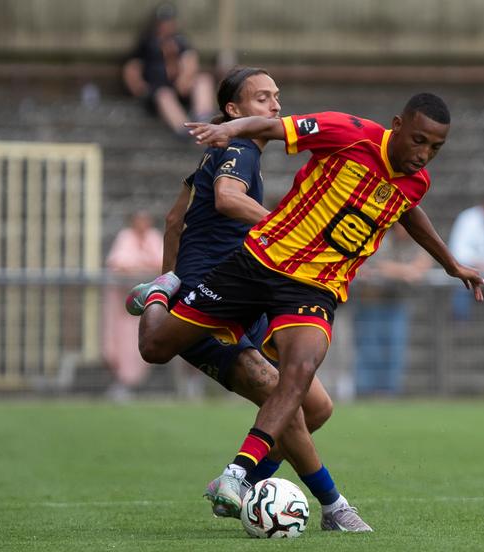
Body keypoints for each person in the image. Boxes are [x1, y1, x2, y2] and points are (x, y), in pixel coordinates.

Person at [129, 93, 484, 519]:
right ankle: (160, 290)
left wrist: (451, 264)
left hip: (315, 289)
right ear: (397, 124)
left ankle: (240, 475)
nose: (424, 154)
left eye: (435, 148)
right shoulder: (350, 133)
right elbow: (274, 129)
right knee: (155, 346)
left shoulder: (415, 181)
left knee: (301, 372)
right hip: (260, 260)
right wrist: (229, 129)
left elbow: (409, 209)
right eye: (419, 141)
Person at [127, 67, 371, 531]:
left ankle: (240, 483)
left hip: (248, 291)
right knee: (281, 396)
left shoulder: (220, 152)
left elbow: (174, 217)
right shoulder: (239, 148)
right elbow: (226, 198)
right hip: (215, 299)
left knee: (316, 406)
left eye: (277, 96)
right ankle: (334, 506)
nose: (276, 106)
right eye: (262, 99)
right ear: (234, 112)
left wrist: (170, 270)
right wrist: (282, 226)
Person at [352, 224, 431, 396]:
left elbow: (424, 263)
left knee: (394, 349)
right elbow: (377, 266)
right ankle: (365, 391)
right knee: (369, 348)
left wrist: (404, 270)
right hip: (371, 304)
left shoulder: (414, 242)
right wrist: (405, 271)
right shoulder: (382, 239)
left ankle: (389, 391)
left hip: (396, 304)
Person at [122, 3, 215, 136]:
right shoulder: (147, 42)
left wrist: (186, 77)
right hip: (158, 90)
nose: (167, 25)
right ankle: (184, 129)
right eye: (164, 22)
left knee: (203, 80)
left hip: (180, 87)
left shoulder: (181, 40)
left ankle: (203, 118)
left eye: (169, 21)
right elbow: (132, 67)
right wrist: (139, 87)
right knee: (164, 95)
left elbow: (190, 59)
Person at [103, 211, 164, 400]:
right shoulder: (126, 237)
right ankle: (124, 384)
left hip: (147, 307)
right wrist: (142, 268)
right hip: (123, 307)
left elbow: (161, 264)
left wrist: (141, 268)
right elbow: (120, 265)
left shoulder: (153, 237)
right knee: (119, 343)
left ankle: (135, 385)